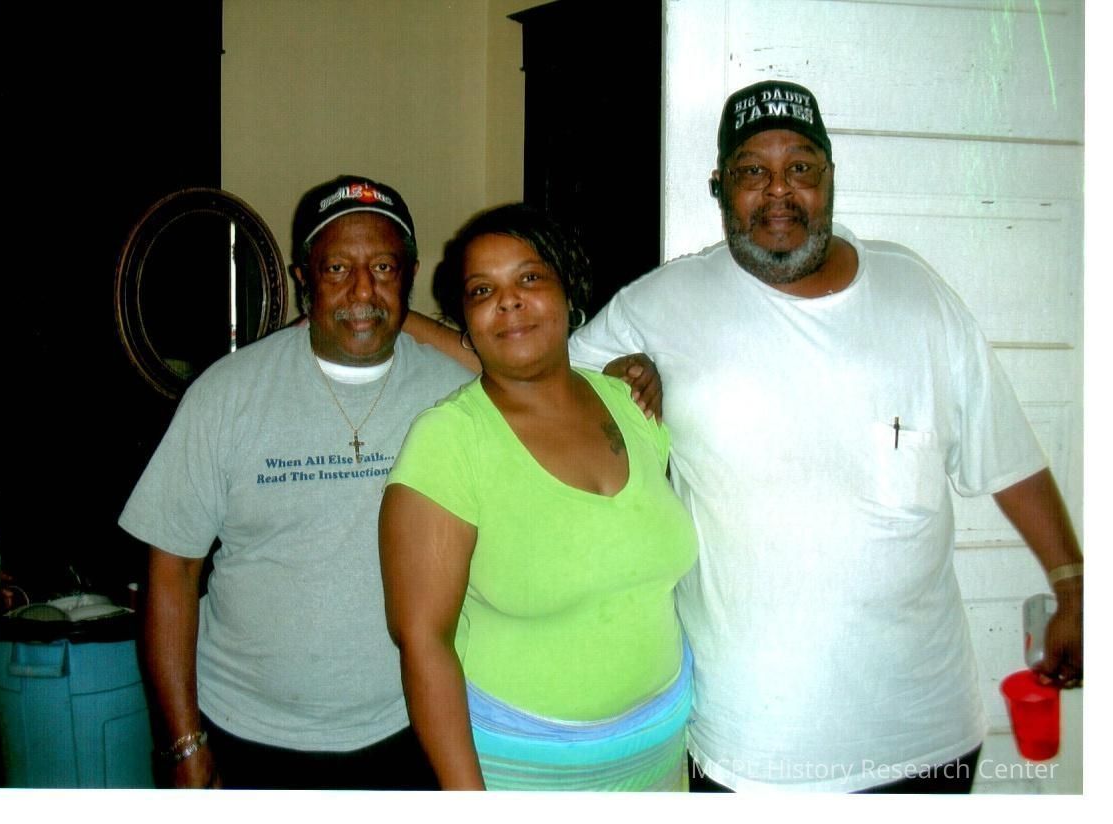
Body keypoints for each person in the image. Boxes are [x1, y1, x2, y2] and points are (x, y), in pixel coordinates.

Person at [566, 80, 1084, 793]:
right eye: (753, 170)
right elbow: (535, 383)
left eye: (801, 168)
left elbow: (1008, 455)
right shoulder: (661, 304)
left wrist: (1072, 584)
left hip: (930, 734)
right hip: (755, 751)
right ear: (719, 185)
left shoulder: (917, 293)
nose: (778, 191)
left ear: (830, 178)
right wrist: (611, 379)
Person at [118, 174, 475, 789]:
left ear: (409, 276)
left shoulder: (455, 393)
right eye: (337, 269)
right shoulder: (225, 396)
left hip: (414, 726)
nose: (361, 291)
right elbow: (171, 572)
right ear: (303, 277)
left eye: (383, 267)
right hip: (247, 733)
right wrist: (181, 743)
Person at [379, 203, 698, 791]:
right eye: (482, 290)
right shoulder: (449, 440)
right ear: (465, 321)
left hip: (660, 754)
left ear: (568, 292)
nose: (509, 301)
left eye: (529, 278)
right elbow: (423, 643)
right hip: (524, 768)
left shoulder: (633, 405)